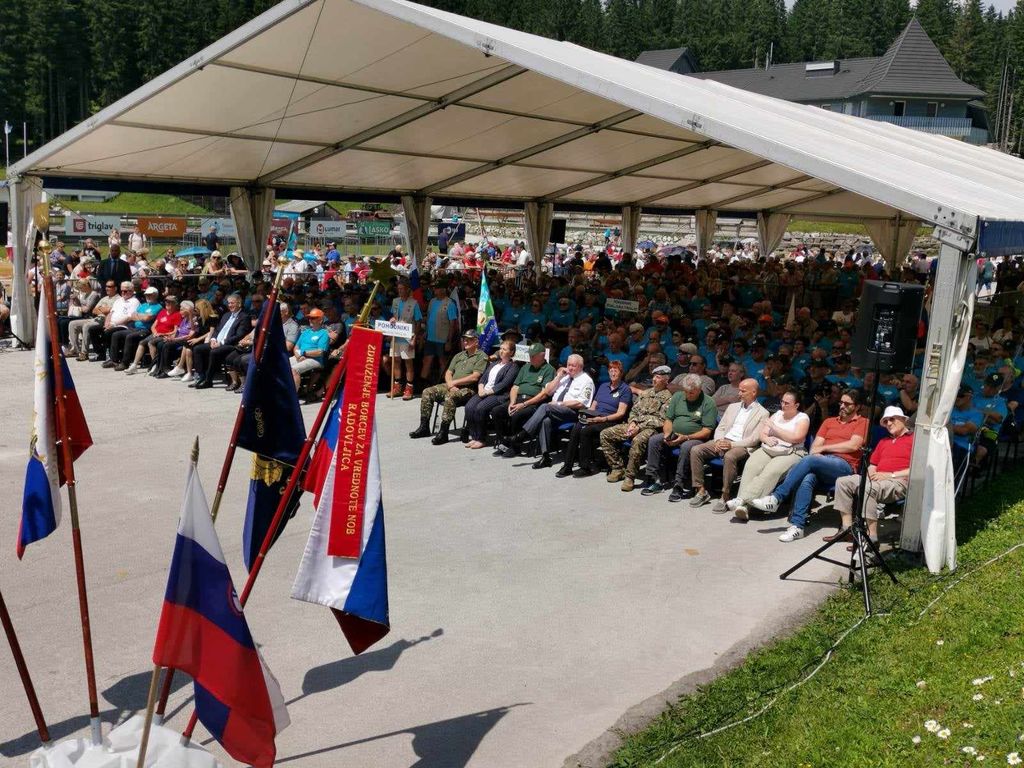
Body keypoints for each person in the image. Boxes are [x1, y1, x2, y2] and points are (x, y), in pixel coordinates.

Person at [751, 389, 867, 542]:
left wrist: (825, 448)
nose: (842, 406)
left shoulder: (863, 422)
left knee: (809, 460)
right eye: (841, 402)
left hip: (844, 466)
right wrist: (820, 451)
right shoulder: (829, 422)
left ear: (857, 406)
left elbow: (853, 445)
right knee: (807, 478)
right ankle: (797, 526)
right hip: (821, 464)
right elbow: (814, 448)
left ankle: (776, 497)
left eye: (847, 404)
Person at [826, 405, 913, 545]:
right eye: (886, 421)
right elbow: (873, 464)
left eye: (892, 419)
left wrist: (890, 475)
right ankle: (847, 530)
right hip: (877, 479)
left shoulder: (914, 440)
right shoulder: (884, 441)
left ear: (903, 419)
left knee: (868, 489)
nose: (889, 423)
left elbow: (917, 469)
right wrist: (871, 474)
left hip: (898, 481)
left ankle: (871, 538)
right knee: (842, 482)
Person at [729, 387, 811, 521]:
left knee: (771, 471)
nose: (782, 405)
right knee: (751, 466)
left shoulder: (802, 418)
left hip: (791, 452)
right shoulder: (777, 414)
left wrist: (775, 428)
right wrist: (766, 439)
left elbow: (796, 438)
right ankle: (744, 506)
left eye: (787, 403)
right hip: (769, 448)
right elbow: (763, 433)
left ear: (796, 405)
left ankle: (742, 500)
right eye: (782, 401)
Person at [687, 378, 768, 512]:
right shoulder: (733, 407)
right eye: (739, 390)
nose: (739, 393)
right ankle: (701, 490)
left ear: (753, 392)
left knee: (730, 456)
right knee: (696, 450)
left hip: (741, 445)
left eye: (743, 391)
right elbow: (721, 427)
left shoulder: (763, 413)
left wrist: (731, 444)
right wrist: (719, 440)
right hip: (723, 439)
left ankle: (725, 495)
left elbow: (754, 439)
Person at [513, 353, 596, 468]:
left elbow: (582, 403)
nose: (570, 368)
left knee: (545, 407)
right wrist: (558, 377)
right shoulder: (565, 377)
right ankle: (545, 457)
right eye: (568, 365)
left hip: (572, 412)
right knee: (545, 420)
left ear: (580, 367)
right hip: (556, 411)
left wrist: (559, 404)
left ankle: (523, 435)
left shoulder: (586, 381)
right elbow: (548, 392)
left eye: (573, 366)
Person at [600, 364, 673, 491]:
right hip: (635, 425)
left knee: (637, 441)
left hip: (651, 429)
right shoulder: (645, 393)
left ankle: (630, 476)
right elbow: (634, 410)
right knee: (606, 434)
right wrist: (633, 422)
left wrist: (639, 428)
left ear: (666, 380)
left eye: (658, 377)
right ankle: (617, 468)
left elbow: (661, 420)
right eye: (654, 376)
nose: (654, 379)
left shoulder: (669, 398)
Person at [555, 359, 631, 477]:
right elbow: (593, 407)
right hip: (596, 416)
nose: (612, 373)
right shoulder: (603, 386)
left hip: (611, 420)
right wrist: (586, 415)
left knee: (586, 431)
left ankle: (585, 467)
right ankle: (567, 466)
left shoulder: (625, 389)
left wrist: (602, 419)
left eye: (615, 370)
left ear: (621, 372)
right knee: (576, 427)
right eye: (610, 370)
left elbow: (621, 413)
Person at [411, 330, 488, 445]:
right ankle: (424, 427)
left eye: (469, 339)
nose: (465, 342)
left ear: (476, 342)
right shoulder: (459, 355)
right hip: (451, 385)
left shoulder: (481, 356)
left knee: (450, 397)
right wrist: (450, 384)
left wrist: (454, 383)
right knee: (427, 391)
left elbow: (475, 377)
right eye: (464, 339)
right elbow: (448, 372)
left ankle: (444, 432)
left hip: (469, 389)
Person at [492, 343, 557, 456]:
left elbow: (543, 394)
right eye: (530, 355)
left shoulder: (549, 370)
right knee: (497, 411)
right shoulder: (525, 367)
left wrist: (524, 404)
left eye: (533, 356)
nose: (530, 358)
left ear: (542, 356)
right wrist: (512, 402)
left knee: (517, 415)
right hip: (518, 399)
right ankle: (504, 443)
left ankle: (515, 447)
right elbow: (515, 387)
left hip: (534, 402)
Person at [463, 339, 518, 448]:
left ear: (511, 352)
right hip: (484, 392)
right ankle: (474, 436)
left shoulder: (513, 367)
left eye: (504, 349)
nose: (501, 351)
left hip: (499, 395)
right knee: (469, 407)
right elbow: (483, 378)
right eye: (500, 349)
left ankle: (481, 438)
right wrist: (480, 388)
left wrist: (487, 392)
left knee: (480, 408)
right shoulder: (494, 364)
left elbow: (504, 384)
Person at [189, 294, 250, 389]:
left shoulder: (244, 316)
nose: (230, 305)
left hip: (230, 344)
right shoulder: (226, 315)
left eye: (232, 303)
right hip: (217, 342)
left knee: (214, 352)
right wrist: (213, 339)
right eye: (229, 303)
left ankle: (208, 381)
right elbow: (217, 330)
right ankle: (201, 377)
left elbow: (239, 335)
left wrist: (221, 343)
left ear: (239, 303)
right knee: (197, 349)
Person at [388, 280, 423, 400]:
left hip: (408, 337)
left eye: (402, 288)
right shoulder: (395, 301)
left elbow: (418, 322)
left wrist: (414, 338)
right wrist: (392, 319)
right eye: (398, 289)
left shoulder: (414, 303)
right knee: (396, 361)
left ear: (408, 289)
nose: (400, 291)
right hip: (396, 336)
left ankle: (409, 388)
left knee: (408, 363)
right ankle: (397, 387)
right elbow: (394, 316)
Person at [89, 281, 138, 362]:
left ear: (131, 291)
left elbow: (129, 318)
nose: (123, 293)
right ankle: (100, 354)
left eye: (125, 291)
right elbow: (110, 313)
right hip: (111, 324)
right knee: (93, 329)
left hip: (123, 326)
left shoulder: (134, 301)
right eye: (122, 291)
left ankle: (110, 355)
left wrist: (114, 324)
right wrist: (107, 323)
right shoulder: (119, 300)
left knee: (108, 332)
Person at [421, 281, 459, 383]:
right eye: (434, 288)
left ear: (443, 290)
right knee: (427, 360)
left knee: (442, 361)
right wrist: (426, 332)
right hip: (430, 338)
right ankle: (423, 383)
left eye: (437, 288)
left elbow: (452, 324)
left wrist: (449, 341)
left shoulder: (450, 303)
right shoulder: (432, 301)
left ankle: (442, 382)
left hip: (442, 339)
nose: (435, 290)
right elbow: (429, 317)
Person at [290, 308, 331, 389]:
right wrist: (299, 356)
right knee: (282, 365)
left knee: (294, 370)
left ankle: (292, 395)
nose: (310, 320)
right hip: (300, 357)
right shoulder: (305, 332)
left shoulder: (324, 333)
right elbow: (296, 347)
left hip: (315, 360)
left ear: (320, 320)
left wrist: (304, 353)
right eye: (309, 318)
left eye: (313, 318)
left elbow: (320, 352)